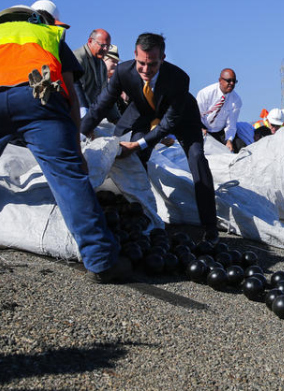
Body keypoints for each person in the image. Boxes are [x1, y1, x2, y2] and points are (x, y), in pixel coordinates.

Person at [0, 5, 125, 283]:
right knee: (68, 179)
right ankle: (101, 261)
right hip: (37, 97)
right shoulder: (50, 34)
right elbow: (72, 98)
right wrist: (76, 151)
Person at [80, 32, 219, 243]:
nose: (146, 70)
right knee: (127, 153)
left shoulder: (179, 79)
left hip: (181, 118)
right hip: (144, 112)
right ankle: (141, 215)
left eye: (152, 64)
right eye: (141, 63)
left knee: (197, 158)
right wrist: (79, 135)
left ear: (162, 58)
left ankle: (210, 226)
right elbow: (101, 106)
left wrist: (138, 144)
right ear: (134, 55)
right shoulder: (123, 73)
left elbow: (168, 124)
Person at [73, 28, 120, 123]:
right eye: (102, 45)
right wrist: (86, 117)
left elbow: (105, 95)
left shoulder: (101, 64)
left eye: (108, 46)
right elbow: (77, 90)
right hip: (77, 115)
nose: (105, 49)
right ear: (90, 41)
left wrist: (118, 120)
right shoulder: (78, 58)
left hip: (92, 116)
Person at [196, 68, 244, 152]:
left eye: (234, 81)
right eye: (229, 81)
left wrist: (229, 140)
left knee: (241, 146)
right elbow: (196, 114)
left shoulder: (236, 100)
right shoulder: (205, 93)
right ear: (220, 80)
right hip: (203, 129)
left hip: (221, 131)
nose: (232, 84)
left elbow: (231, 125)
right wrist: (200, 128)